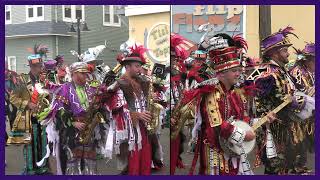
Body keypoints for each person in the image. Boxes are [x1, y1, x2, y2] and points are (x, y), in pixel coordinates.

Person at [253, 26, 315, 174]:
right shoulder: (266, 72)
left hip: (288, 130)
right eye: (285, 50)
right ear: (274, 53)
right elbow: (276, 101)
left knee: (289, 168)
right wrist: (303, 101)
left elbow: (293, 93)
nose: (288, 54)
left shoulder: (282, 70)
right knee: (277, 169)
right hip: (274, 133)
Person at [40, 62, 107, 175]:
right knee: (72, 161)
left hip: (89, 129)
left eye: (86, 73)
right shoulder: (64, 89)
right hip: (71, 132)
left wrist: (97, 106)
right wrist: (73, 122)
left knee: (89, 160)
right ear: (74, 74)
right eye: (82, 73)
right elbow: (59, 111)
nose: (86, 76)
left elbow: (98, 106)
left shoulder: (91, 88)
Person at [7, 44, 50, 174]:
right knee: (30, 147)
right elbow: (13, 98)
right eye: (37, 66)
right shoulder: (22, 79)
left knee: (43, 144)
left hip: (43, 119)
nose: (40, 68)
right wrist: (27, 104)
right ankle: (31, 170)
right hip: (27, 120)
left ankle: (42, 168)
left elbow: (48, 95)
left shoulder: (44, 80)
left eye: (41, 66)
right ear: (31, 66)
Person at [288, 42, 315, 174]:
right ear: (308, 60)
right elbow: (297, 93)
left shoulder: (308, 71)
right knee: (299, 143)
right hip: (297, 113)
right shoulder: (297, 71)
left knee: (305, 142)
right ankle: (297, 167)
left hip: (308, 113)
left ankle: (300, 165)